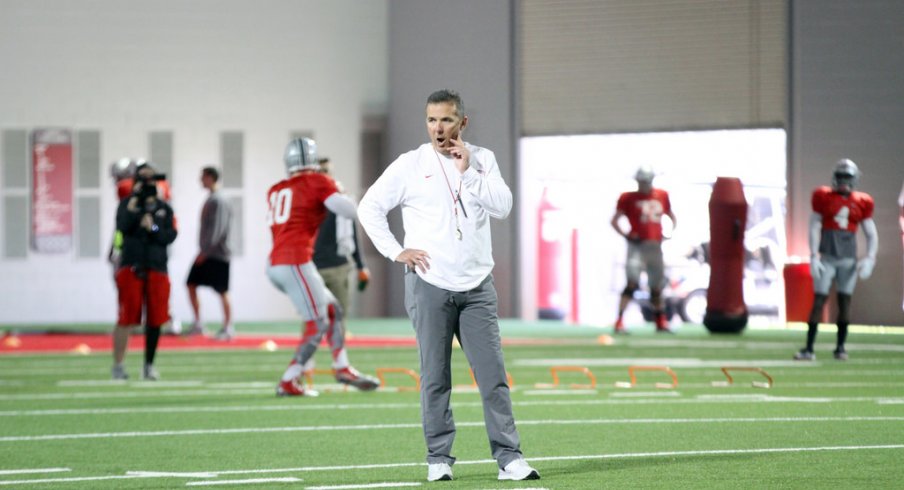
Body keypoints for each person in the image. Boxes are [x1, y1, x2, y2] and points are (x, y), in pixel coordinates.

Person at [358, 89, 539, 482]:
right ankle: (439, 459)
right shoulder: (409, 165)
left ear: (462, 122)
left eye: (446, 120)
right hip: (429, 285)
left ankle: (509, 458)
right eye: (431, 120)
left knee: (493, 377)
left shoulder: (483, 159)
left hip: (477, 288)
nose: (438, 129)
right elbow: (369, 207)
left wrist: (468, 170)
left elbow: (503, 207)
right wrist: (396, 251)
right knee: (435, 377)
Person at [266, 137, 379, 397]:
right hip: (295, 260)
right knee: (317, 321)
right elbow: (349, 211)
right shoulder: (317, 181)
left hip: (277, 263)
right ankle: (290, 378)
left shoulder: (276, 188)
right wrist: (339, 192)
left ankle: (342, 367)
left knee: (333, 310)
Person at [794, 158, 877, 361]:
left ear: (855, 179)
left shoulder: (862, 202)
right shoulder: (823, 197)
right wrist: (813, 255)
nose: (842, 181)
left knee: (845, 302)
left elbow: (871, 234)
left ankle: (840, 348)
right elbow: (813, 227)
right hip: (827, 257)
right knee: (818, 301)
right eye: (840, 176)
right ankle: (809, 348)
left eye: (847, 177)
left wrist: (870, 258)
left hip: (848, 260)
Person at [112, 162, 178, 380]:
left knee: (156, 318)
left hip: (157, 268)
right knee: (126, 318)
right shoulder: (126, 205)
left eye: (151, 179)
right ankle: (119, 365)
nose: (147, 183)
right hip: (131, 266)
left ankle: (149, 365)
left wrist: (154, 227)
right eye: (142, 179)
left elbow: (168, 236)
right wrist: (134, 206)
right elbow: (122, 226)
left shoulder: (164, 208)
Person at [610, 165, 677, 333]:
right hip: (637, 246)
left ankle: (660, 321)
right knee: (631, 283)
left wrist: (667, 233)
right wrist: (626, 235)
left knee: (656, 286)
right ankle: (619, 321)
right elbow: (614, 220)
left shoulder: (662, 195)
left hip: (654, 246)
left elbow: (672, 217)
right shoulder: (627, 197)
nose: (644, 185)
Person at [186, 166, 234, 340]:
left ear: (211, 178)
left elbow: (218, 229)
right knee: (191, 283)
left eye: (203, 177)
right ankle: (199, 324)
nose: (200, 180)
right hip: (209, 252)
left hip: (217, 254)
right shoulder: (213, 198)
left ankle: (228, 327)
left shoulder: (218, 200)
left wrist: (204, 252)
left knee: (222, 290)